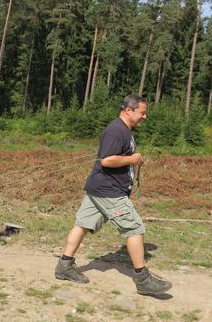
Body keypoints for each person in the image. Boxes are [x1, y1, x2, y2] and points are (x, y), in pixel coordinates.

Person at [54, 94, 172, 296]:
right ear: (129, 110)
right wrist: (132, 159)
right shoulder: (117, 130)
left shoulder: (123, 130)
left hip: (98, 189)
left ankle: (64, 266)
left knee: (82, 224)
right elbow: (107, 161)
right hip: (109, 191)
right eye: (142, 113)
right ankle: (142, 279)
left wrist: (132, 159)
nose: (144, 117)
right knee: (134, 228)